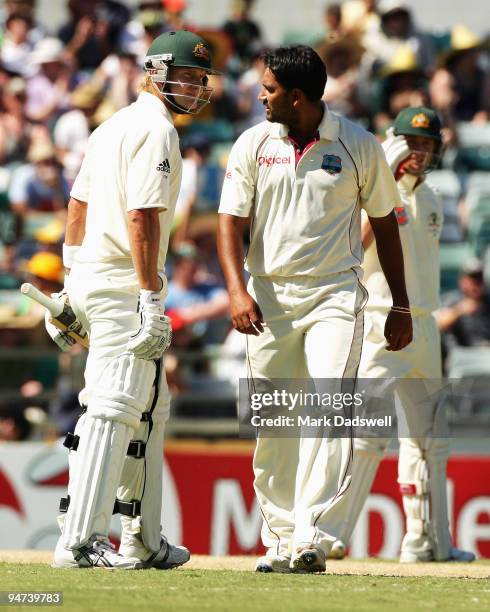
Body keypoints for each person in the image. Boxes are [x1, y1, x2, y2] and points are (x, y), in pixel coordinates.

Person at [217, 45, 412, 573]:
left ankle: (311, 535)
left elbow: (387, 224)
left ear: (297, 97)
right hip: (270, 298)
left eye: (269, 89)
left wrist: (401, 305)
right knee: (274, 421)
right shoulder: (252, 143)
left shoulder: (357, 144)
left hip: (335, 295)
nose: (260, 96)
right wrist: (238, 292)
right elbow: (230, 222)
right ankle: (279, 538)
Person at [45, 30, 218, 569]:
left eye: (199, 78)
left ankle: (141, 538)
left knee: (148, 408)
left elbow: (77, 206)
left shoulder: (111, 126)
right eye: (185, 75)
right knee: (114, 405)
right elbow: (142, 217)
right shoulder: (155, 129)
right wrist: (148, 297)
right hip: (124, 283)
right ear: (156, 71)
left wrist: (71, 286)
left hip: (98, 278)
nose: (193, 86)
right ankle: (79, 543)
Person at [328, 106, 475, 563]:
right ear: (394, 144)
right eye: (412, 144)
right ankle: (330, 536)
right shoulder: (373, 192)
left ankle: (429, 541)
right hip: (381, 321)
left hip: (426, 325)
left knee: (431, 439)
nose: (420, 153)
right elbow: (358, 243)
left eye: (428, 145)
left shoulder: (430, 198)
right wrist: (385, 185)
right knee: (366, 435)